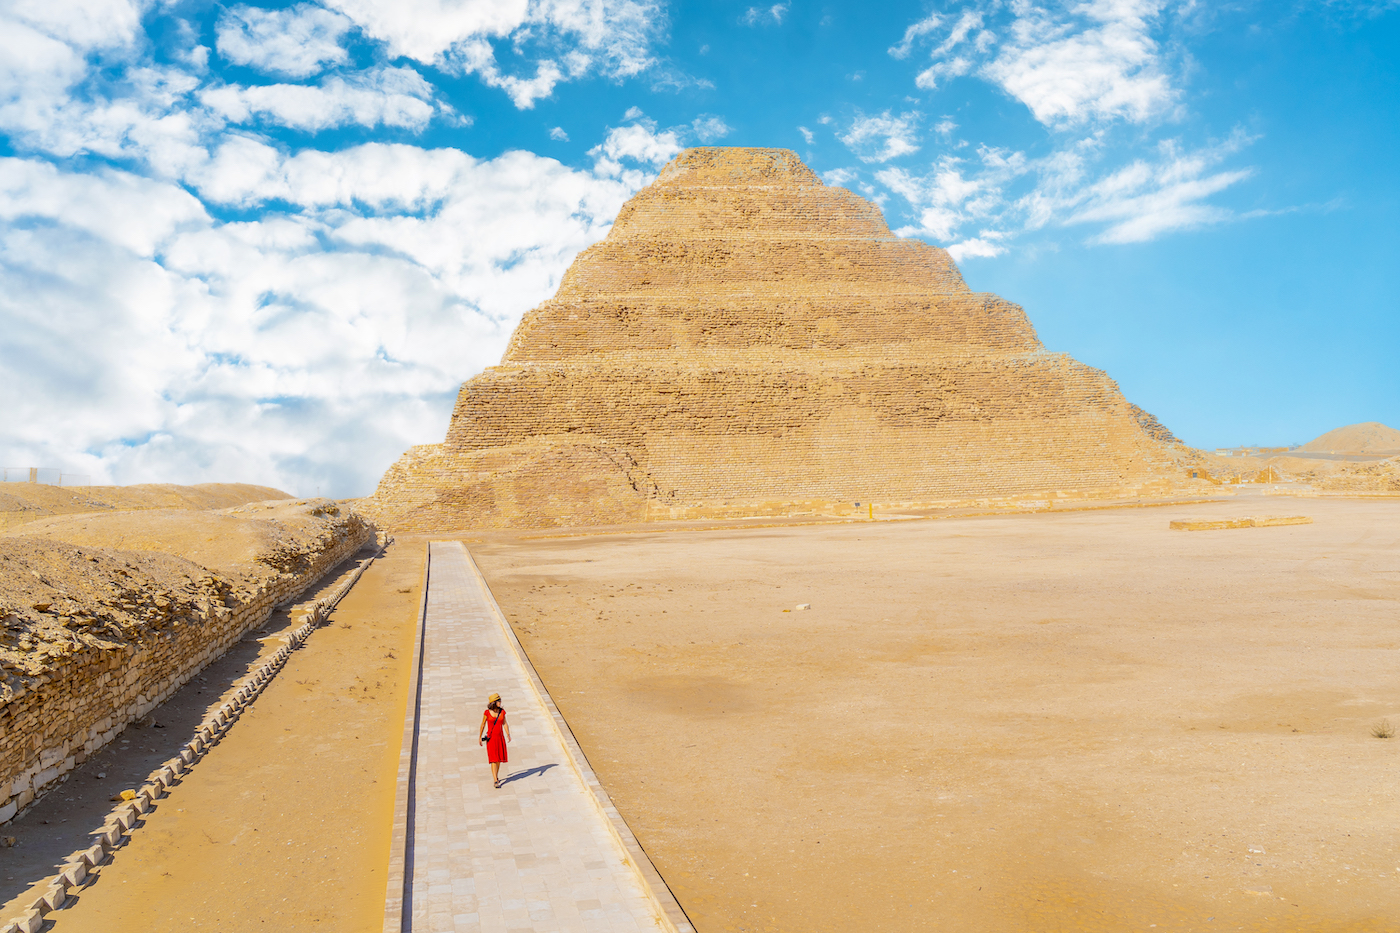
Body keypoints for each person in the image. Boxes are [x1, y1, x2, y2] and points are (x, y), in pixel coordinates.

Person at [479, 692, 511, 788]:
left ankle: (496, 776)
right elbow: (483, 724)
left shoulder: (502, 712)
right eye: (499, 700)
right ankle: (495, 779)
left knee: (498, 760)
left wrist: (508, 734)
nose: (500, 702)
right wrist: (480, 737)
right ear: (494, 702)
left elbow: (504, 723)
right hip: (491, 739)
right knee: (493, 759)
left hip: (500, 738)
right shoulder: (487, 713)